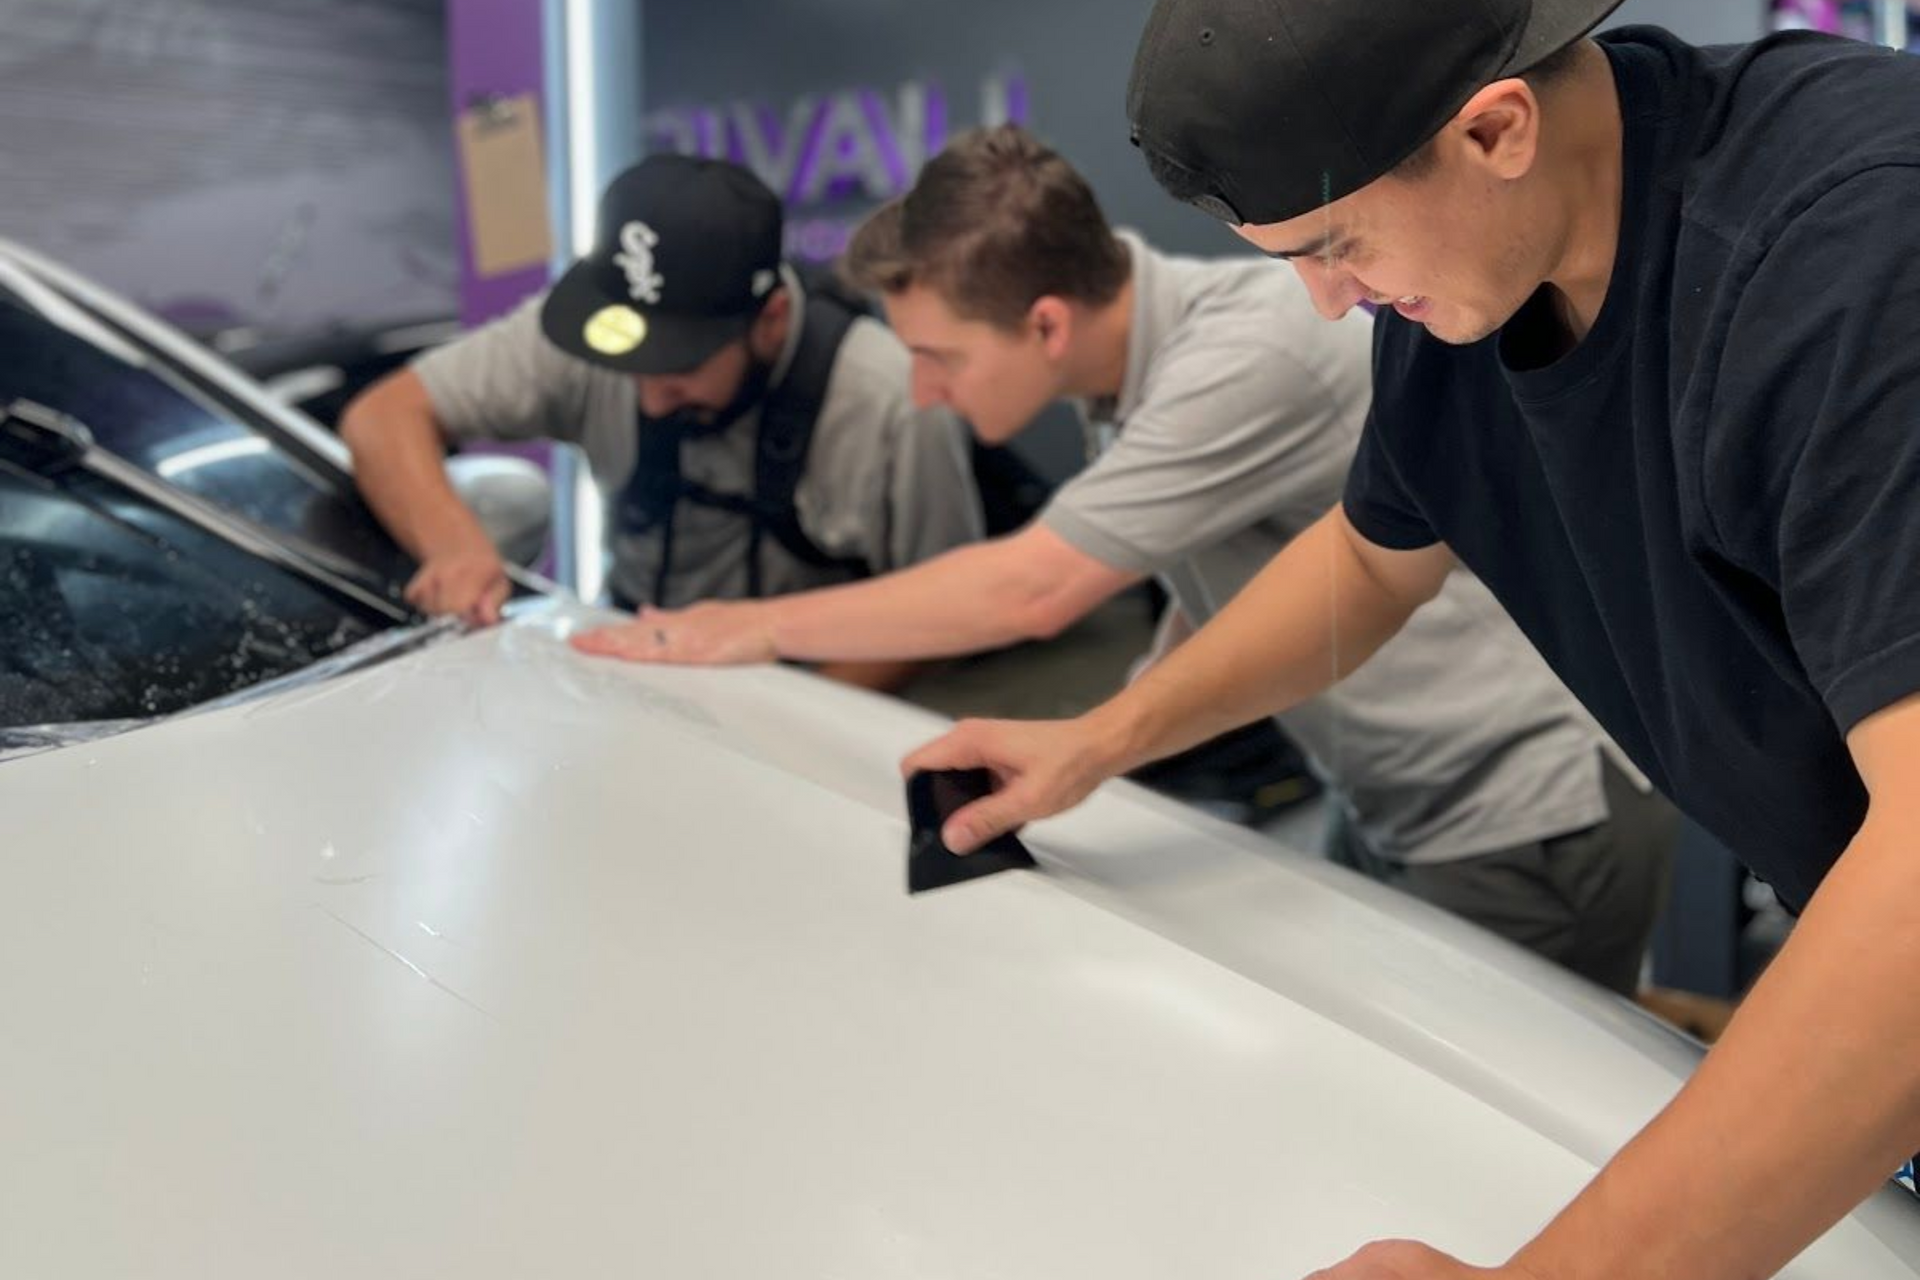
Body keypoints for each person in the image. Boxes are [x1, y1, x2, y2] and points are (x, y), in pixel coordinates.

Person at [905, 3, 1920, 1276]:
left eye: (1336, 247)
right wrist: (1095, 742)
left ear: (1495, 129)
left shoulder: (1852, 242)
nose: (1332, 306)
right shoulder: (1461, 302)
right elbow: (1367, 563)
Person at [572, 125, 1674, 995]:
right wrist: (1120, 734)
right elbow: (1231, 576)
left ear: (1045, 323)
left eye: (936, 357)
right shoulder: (1128, 374)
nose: (921, 392)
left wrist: (744, 629)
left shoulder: (1241, 355)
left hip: (1527, 811)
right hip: (1391, 794)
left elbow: (1034, 586)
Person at [340, 154, 982, 691]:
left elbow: (949, 613)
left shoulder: (893, 400)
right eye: (632, 363)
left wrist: (786, 724)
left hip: (804, 703)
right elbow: (383, 415)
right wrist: (456, 547)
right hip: (635, 686)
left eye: (680, 366)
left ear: (772, 319)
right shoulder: (590, 335)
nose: (649, 399)